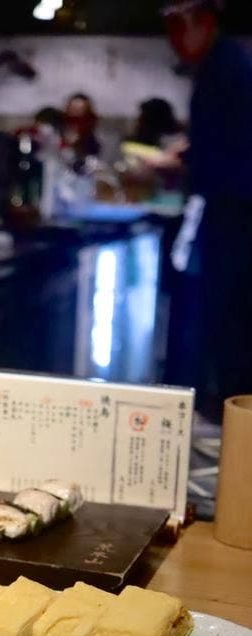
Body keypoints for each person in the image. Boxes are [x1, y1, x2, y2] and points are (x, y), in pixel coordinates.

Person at [162, 0, 252, 417]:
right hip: (229, 208)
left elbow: (225, 149)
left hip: (231, 212)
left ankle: (224, 417)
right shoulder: (224, 64)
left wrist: (181, 160)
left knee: (222, 321)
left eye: (180, 27)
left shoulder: (227, 67)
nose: (174, 40)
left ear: (207, 22)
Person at [63, 92, 101, 165]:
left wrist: (78, 141)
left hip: (87, 161)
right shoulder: (62, 122)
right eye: (73, 107)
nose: (76, 110)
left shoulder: (93, 123)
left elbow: (96, 149)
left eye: (80, 108)